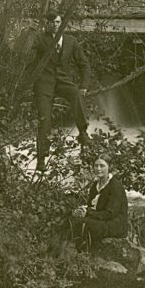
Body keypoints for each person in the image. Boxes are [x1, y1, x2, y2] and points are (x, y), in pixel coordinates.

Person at [32, 11, 91, 172]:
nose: (55, 25)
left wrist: (84, 84)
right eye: (52, 23)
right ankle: (41, 158)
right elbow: (27, 54)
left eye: (58, 22)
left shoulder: (71, 41)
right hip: (44, 83)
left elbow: (84, 64)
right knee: (44, 119)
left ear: (62, 23)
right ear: (47, 24)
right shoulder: (40, 39)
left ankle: (83, 133)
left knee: (76, 93)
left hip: (63, 81)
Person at [72, 154, 128, 249]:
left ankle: (81, 251)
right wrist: (82, 210)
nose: (98, 169)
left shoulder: (115, 186)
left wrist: (88, 212)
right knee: (72, 218)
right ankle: (69, 251)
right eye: (96, 165)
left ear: (109, 167)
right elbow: (90, 205)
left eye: (102, 166)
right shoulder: (95, 185)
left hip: (114, 223)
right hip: (101, 218)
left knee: (83, 223)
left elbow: (110, 213)